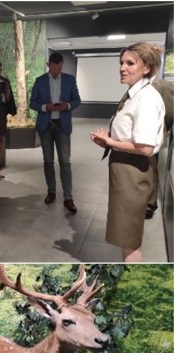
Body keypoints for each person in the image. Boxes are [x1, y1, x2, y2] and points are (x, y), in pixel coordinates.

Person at [90, 42, 165, 262]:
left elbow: (145, 147)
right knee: (125, 239)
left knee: (130, 243)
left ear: (147, 68)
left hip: (132, 173)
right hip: (123, 170)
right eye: (121, 62)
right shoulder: (133, 95)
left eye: (130, 63)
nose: (122, 67)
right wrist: (108, 142)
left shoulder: (147, 98)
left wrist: (110, 141)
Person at [29, 52, 81, 213]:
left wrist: (67, 106)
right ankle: (51, 192)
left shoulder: (70, 80)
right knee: (48, 161)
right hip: (46, 126)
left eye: (59, 68)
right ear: (48, 65)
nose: (57, 71)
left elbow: (77, 100)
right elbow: (33, 103)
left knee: (65, 162)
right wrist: (46, 107)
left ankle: (68, 197)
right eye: (54, 68)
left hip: (62, 125)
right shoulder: (40, 81)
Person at [145, 76, 173, 219]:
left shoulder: (163, 85)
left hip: (152, 136)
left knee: (151, 168)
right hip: (136, 138)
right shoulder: (136, 85)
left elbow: (169, 112)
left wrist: (161, 131)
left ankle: (150, 203)